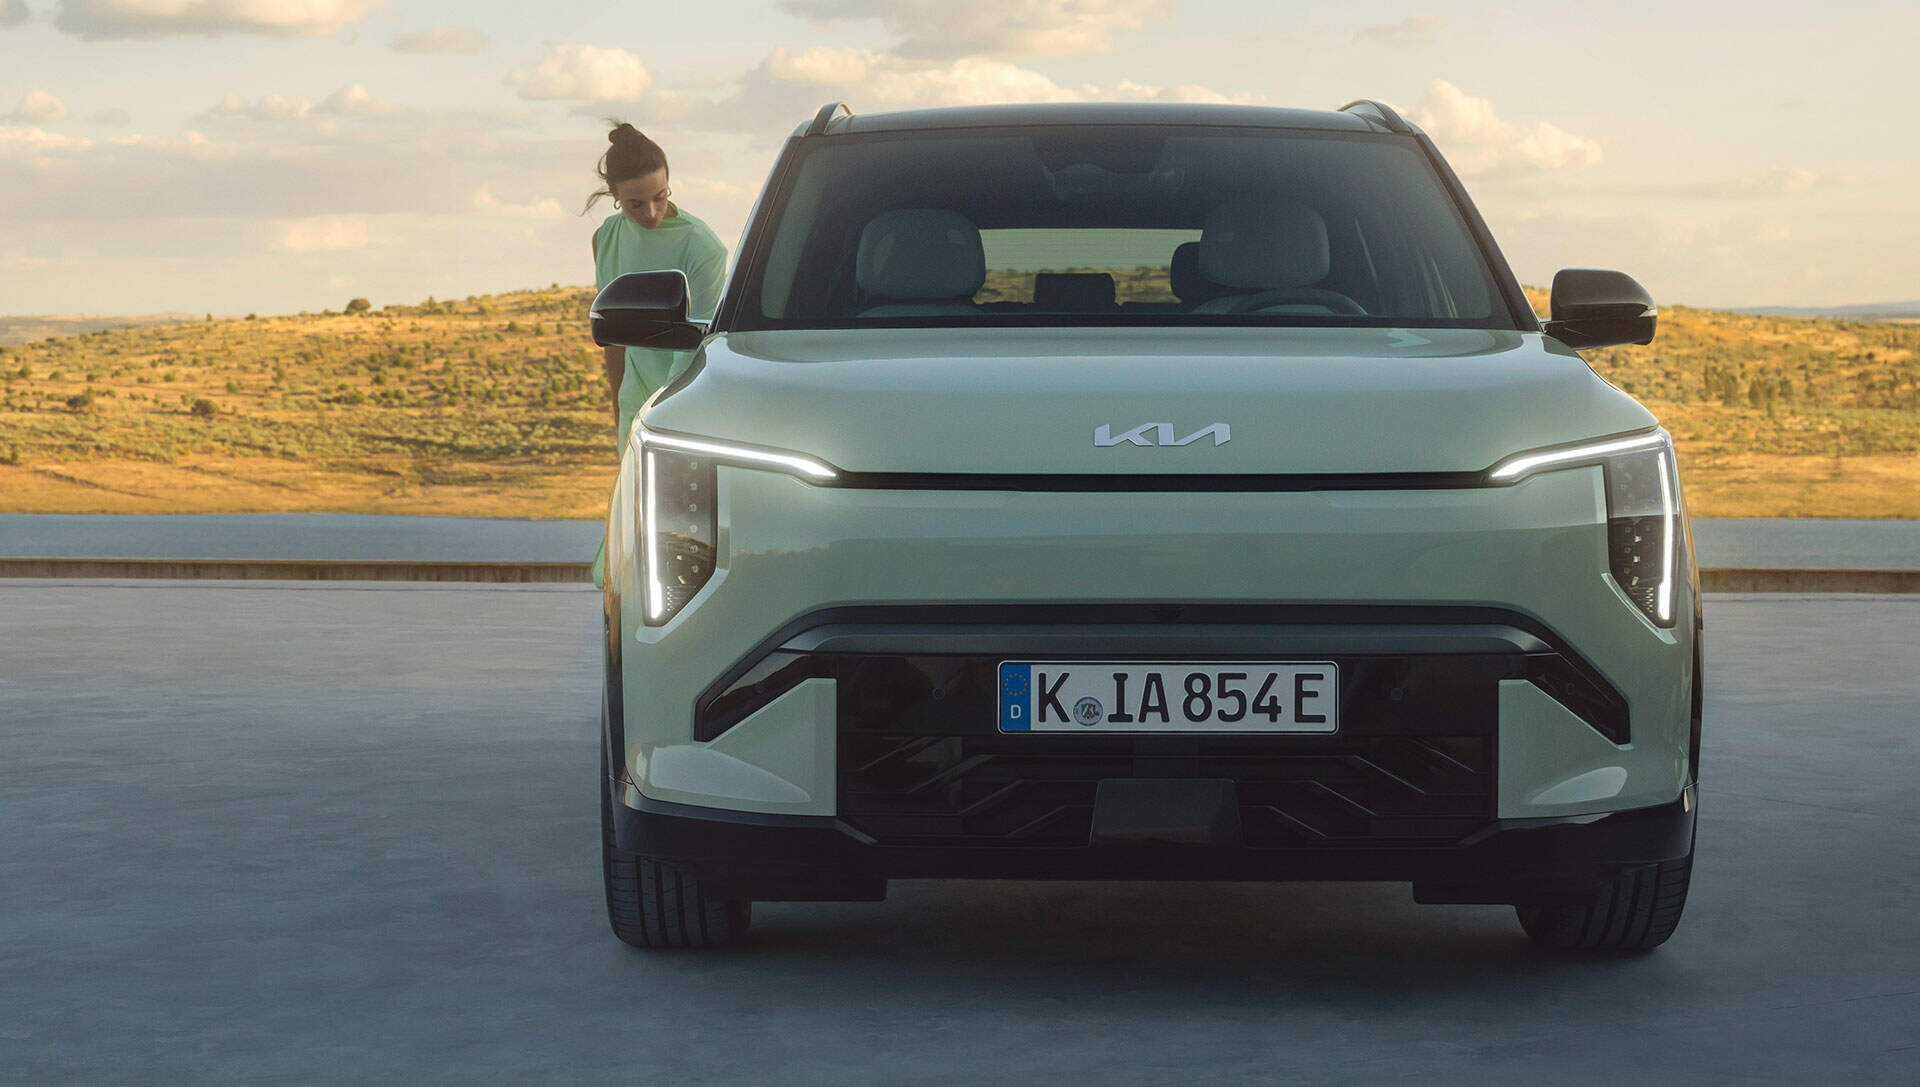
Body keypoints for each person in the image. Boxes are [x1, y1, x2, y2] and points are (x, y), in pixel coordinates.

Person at [586, 122, 728, 585]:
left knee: (676, 520)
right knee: (630, 511)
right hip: (634, 392)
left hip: (682, 393)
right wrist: (619, 405)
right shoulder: (607, 237)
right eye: (636, 203)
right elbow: (613, 330)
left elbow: (696, 343)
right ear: (615, 199)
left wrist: (666, 409)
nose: (651, 211)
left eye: (661, 196)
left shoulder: (702, 247)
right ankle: (621, 612)